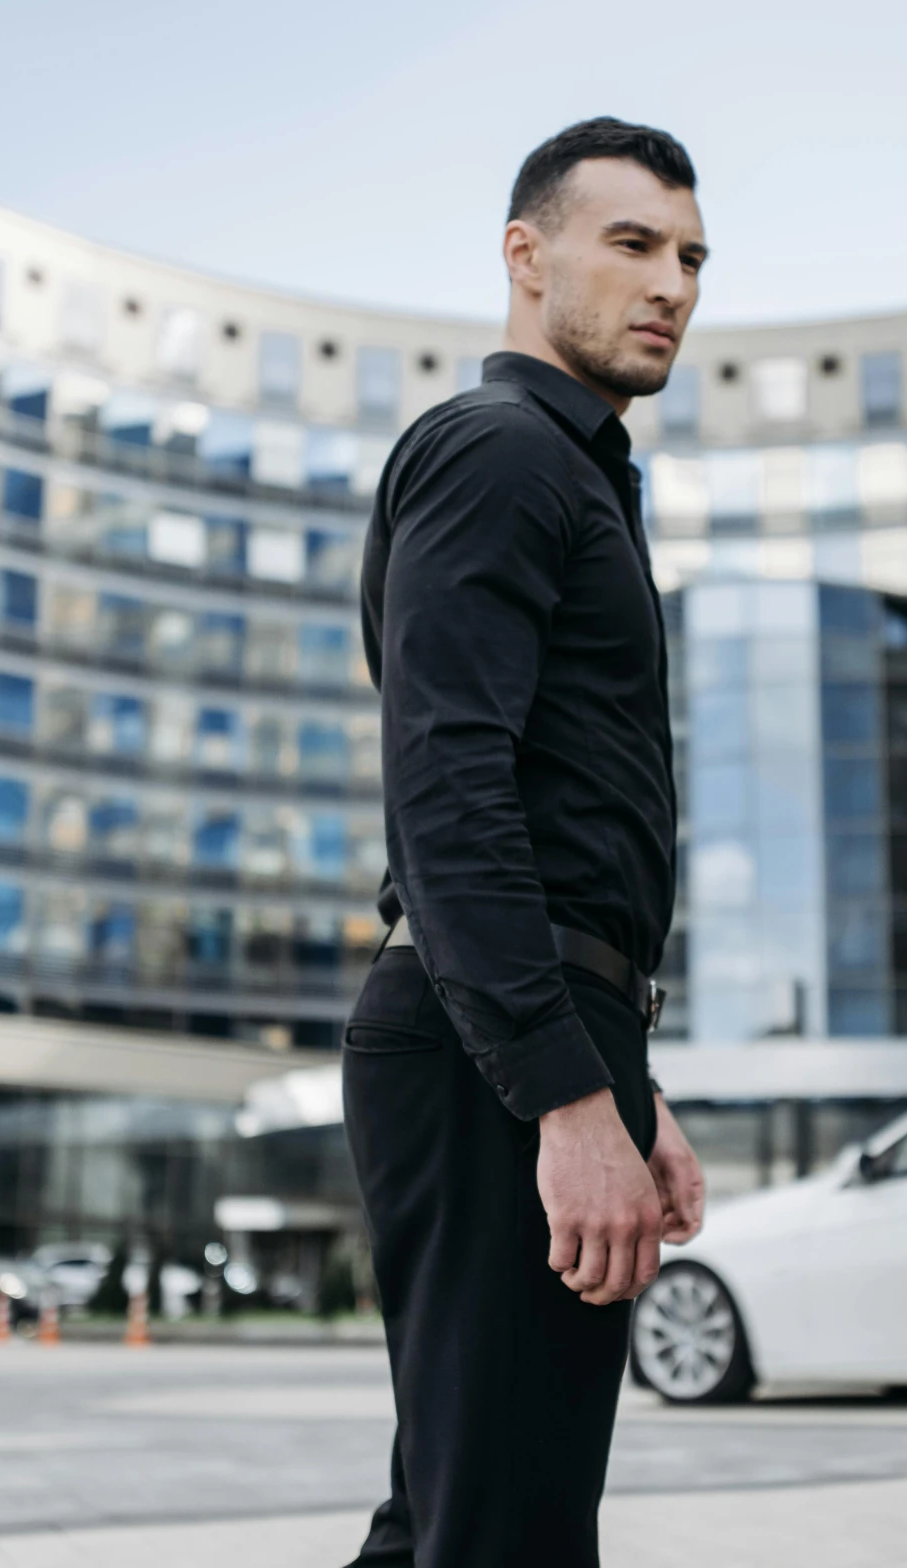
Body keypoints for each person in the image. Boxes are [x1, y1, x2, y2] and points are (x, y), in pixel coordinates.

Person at [341, 117, 711, 1568]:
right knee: (507, 1526)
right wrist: (568, 1096)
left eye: (688, 257)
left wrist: (627, 1084)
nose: (670, 283)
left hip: (534, 1028)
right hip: (488, 1045)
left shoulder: (580, 479)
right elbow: (450, 787)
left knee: (457, 1512)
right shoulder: (499, 453)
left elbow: (568, 817)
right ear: (526, 252)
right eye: (630, 244)